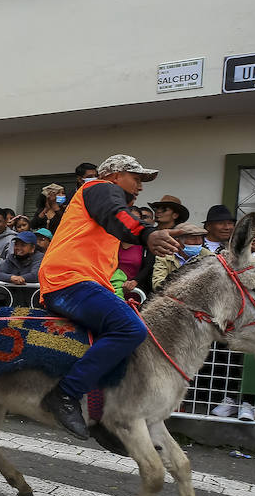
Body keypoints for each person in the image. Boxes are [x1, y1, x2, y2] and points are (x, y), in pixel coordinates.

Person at [37, 155, 181, 438]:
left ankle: (101, 417)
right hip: (68, 281)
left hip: (82, 284)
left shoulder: (107, 201)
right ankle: (64, 394)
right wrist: (147, 233)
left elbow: (117, 218)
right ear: (115, 175)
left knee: (125, 342)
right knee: (130, 329)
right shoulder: (100, 188)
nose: (140, 186)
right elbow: (118, 216)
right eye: (136, 178)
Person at [151, 222, 207, 291]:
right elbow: (157, 284)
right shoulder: (164, 256)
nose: (198, 242)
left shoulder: (209, 256)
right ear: (177, 241)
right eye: (193, 238)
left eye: (200, 238)